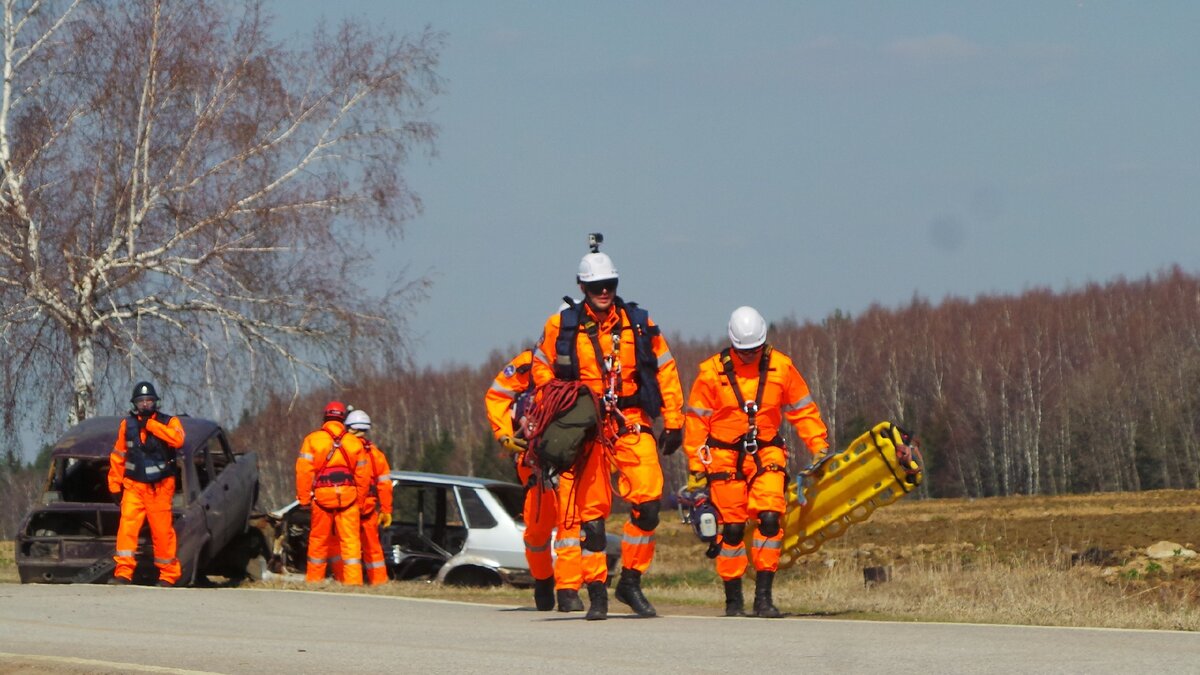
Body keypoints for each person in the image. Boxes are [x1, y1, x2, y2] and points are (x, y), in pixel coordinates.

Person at [531, 241, 684, 620]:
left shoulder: (640, 323)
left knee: (649, 505)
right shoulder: (560, 326)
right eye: (596, 286)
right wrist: (561, 399)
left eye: (610, 284)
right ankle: (596, 591)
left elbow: (665, 368)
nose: (604, 292)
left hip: (631, 421)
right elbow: (540, 367)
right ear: (582, 287)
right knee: (592, 519)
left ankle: (630, 580)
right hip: (586, 431)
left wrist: (676, 420)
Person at [683, 306, 831, 617]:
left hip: (766, 453)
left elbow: (802, 409)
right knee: (732, 529)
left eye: (754, 350)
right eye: (743, 351)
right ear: (732, 344)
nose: (748, 356)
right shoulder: (711, 373)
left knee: (769, 518)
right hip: (723, 457)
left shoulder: (781, 367)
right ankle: (733, 599)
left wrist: (818, 446)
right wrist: (697, 469)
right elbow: (696, 423)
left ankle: (764, 597)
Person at [485, 347, 584, 612]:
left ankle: (568, 590)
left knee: (570, 524)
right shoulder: (527, 364)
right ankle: (542, 580)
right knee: (537, 530)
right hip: (534, 460)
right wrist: (505, 435)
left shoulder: (591, 360)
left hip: (573, 457)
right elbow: (497, 395)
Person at [107, 381, 186, 586]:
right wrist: (114, 484)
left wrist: (152, 426)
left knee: (162, 532)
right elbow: (118, 455)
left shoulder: (169, 421)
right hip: (133, 485)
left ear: (156, 402)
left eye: (149, 400)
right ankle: (123, 573)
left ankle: (168, 576)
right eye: (141, 401)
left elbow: (178, 440)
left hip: (160, 487)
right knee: (126, 529)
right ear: (135, 403)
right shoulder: (127, 425)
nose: (145, 404)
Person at [295, 400, 371, 585]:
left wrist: (304, 499)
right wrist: (359, 502)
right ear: (343, 419)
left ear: (325, 417)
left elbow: (303, 472)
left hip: (322, 498)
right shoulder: (354, 443)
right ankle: (353, 583)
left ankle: (314, 580)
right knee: (351, 543)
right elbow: (363, 476)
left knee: (319, 541)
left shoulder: (312, 440)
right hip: (349, 498)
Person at [344, 409, 394, 585]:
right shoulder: (376, 454)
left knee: (349, 546)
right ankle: (379, 581)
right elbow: (385, 484)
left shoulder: (344, 450)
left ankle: (350, 581)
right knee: (373, 548)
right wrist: (386, 510)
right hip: (370, 508)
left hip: (348, 507)